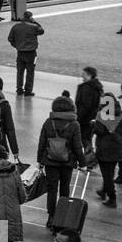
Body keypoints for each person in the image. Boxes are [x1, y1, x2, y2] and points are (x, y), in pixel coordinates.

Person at [36, 93, 87, 229]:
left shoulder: (49, 122)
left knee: (51, 189)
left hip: (50, 161)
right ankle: (62, 216)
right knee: (65, 188)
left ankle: (51, 217)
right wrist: (83, 163)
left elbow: (42, 142)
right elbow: (77, 145)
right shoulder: (74, 124)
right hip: (67, 162)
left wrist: (40, 160)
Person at [91, 95, 122, 209]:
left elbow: (99, 131)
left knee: (107, 176)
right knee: (110, 173)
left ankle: (112, 197)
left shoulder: (102, 116)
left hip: (105, 150)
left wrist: (94, 124)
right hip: (118, 149)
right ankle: (104, 190)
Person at [6, 11, 43, 98]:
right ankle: (28, 91)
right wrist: (34, 22)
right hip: (31, 53)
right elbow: (42, 31)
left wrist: (16, 46)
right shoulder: (34, 27)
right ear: (30, 18)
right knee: (30, 72)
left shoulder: (16, 27)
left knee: (20, 71)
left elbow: (10, 38)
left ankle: (19, 89)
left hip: (20, 53)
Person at [74, 66, 103, 146]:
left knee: (82, 142)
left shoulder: (87, 88)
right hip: (91, 120)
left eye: (84, 74)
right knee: (87, 141)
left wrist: (77, 119)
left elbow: (85, 106)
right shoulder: (96, 87)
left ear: (89, 75)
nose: (82, 76)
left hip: (83, 121)